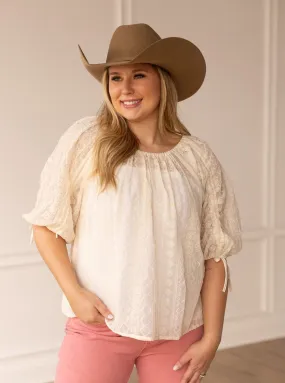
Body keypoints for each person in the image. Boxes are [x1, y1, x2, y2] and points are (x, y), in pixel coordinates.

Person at [22, 23, 242, 383]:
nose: (125, 89)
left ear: (163, 81)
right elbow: (46, 227)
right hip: (100, 326)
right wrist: (74, 294)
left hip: (178, 331)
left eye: (138, 75)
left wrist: (212, 338)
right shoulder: (86, 141)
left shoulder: (197, 157)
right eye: (115, 78)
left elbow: (214, 255)